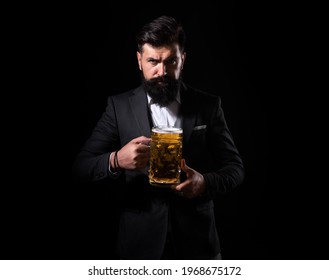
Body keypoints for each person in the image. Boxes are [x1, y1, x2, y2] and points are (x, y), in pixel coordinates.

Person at [72, 15, 244, 260]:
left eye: (170, 61)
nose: (162, 71)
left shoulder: (208, 105)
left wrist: (204, 183)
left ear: (182, 60)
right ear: (139, 60)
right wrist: (116, 160)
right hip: (138, 247)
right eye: (153, 61)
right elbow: (80, 167)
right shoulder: (118, 107)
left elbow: (235, 169)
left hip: (199, 246)